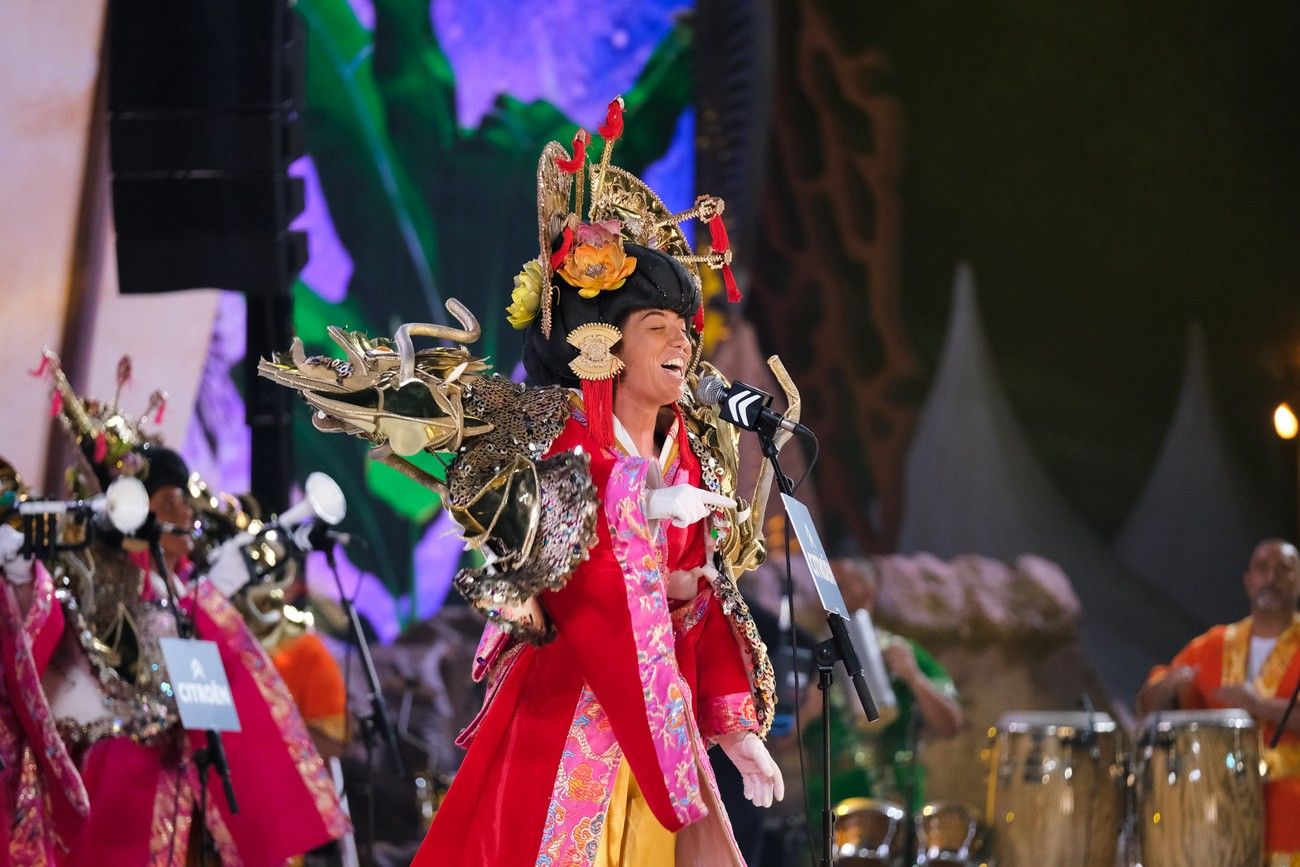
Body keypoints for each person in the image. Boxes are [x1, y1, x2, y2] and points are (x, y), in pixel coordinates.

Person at [260, 98, 786, 866]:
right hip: (566, 710)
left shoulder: (695, 457)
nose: (683, 341)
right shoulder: (562, 432)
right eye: (659, 328)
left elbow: (703, 605)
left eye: (686, 327)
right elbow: (561, 556)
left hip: (659, 730)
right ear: (602, 342)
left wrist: (735, 729)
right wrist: (636, 499)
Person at [9, 355, 350, 866]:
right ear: (138, 510)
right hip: (113, 776)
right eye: (172, 502)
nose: (187, 516)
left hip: (173, 776)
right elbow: (135, 672)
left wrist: (208, 600)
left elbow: (204, 702)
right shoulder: (97, 579)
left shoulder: (183, 589)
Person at [1137, 538, 1300, 862]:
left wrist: (1259, 704)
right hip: (1214, 821)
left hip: (1290, 819)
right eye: (1262, 568)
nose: (1271, 577)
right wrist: (1169, 684)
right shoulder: (1213, 644)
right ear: (1248, 580)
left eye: (1284, 570)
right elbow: (1147, 703)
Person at [802, 557, 962, 815]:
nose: (828, 595)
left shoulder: (900, 652)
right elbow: (778, 741)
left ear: (868, 591)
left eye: (839, 586)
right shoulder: (810, 658)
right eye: (823, 588)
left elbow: (951, 724)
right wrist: (806, 712)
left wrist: (914, 679)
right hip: (828, 809)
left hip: (895, 803)